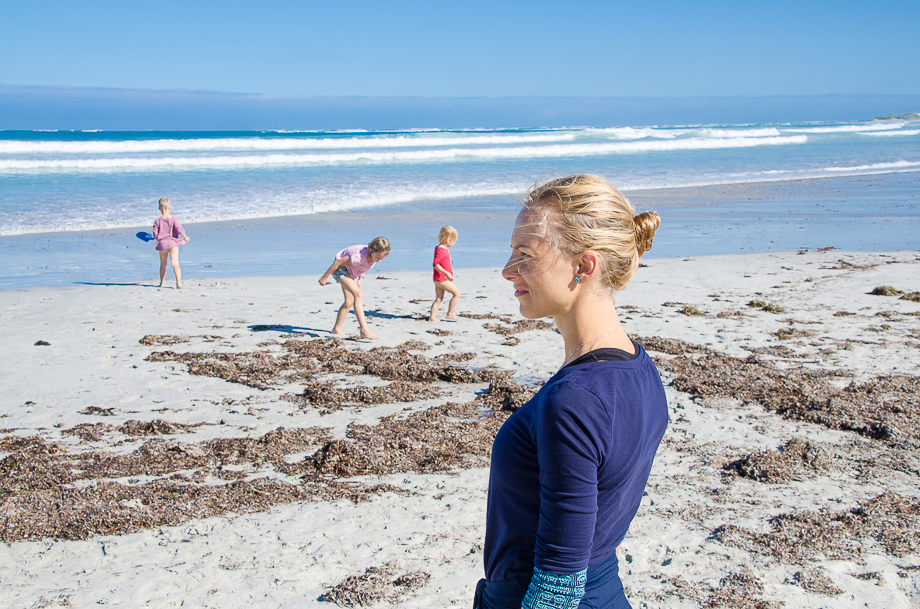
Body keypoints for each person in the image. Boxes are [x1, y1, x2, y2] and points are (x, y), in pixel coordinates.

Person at [477, 175, 669, 609]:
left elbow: (557, 588)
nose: (507, 270)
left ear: (585, 265)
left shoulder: (574, 401)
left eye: (525, 255)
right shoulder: (641, 369)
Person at [318, 237, 391, 339]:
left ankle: (336, 329)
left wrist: (360, 279)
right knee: (358, 295)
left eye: (381, 259)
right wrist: (324, 277)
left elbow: (363, 266)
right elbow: (338, 263)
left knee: (349, 302)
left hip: (350, 271)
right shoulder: (358, 256)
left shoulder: (371, 257)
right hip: (340, 269)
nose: (379, 261)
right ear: (371, 250)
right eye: (378, 258)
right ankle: (364, 330)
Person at [153, 197, 190, 289]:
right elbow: (179, 229)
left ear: (159, 209)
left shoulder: (157, 221)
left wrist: (158, 237)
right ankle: (178, 282)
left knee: (163, 264)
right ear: (170, 208)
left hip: (162, 244)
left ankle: (162, 283)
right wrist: (185, 237)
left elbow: (155, 234)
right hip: (172, 243)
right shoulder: (174, 219)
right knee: (175, 264)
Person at [429, 225, 461, 321]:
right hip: (442, 278)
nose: (454, 243)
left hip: (437, 278)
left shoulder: (440, 248)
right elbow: (435, 264)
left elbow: (442, 257)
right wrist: (446, 272)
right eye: (453, 241)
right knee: (456, 293)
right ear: (448, 239)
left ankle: (432, 317)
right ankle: (450, 313)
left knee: (438, 298)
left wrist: (448, 258)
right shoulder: (442, 250)